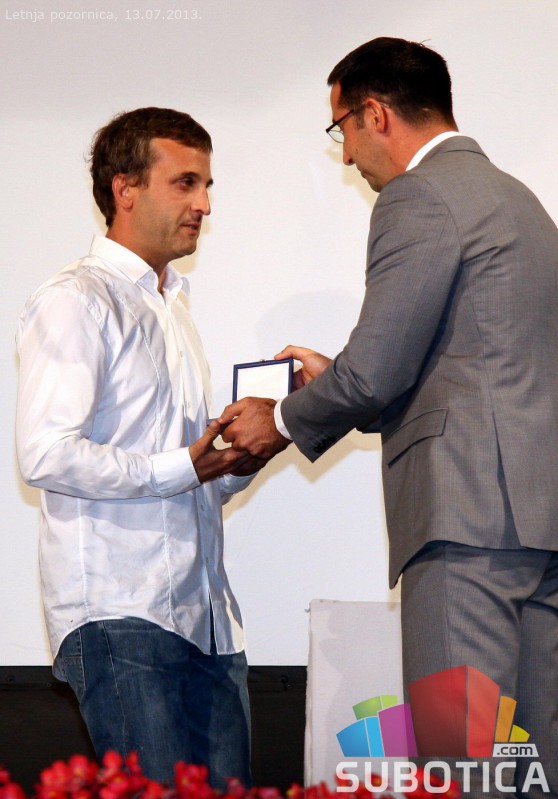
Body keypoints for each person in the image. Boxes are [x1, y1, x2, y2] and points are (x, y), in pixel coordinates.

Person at [218, 38, 558, 796]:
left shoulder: (419, 196)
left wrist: (283, 417)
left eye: (341, 129)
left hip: (465, 522)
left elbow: (376, 369)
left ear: (374, 113)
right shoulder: (521, 201)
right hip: (539, 527)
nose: (346, 156)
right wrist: (341, 380)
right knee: (534, 769)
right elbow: (473, 367)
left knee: (464, 764)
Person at [16, 107, 263, 789]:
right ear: (124, 188)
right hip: (122, 613)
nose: (204, 204)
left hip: (207, 620)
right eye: (185, 183)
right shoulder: (76, 298)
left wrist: (237, 459)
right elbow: (45, 453)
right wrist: (183, 464)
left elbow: (185, 473)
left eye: (206, 185)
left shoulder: (172, 307)